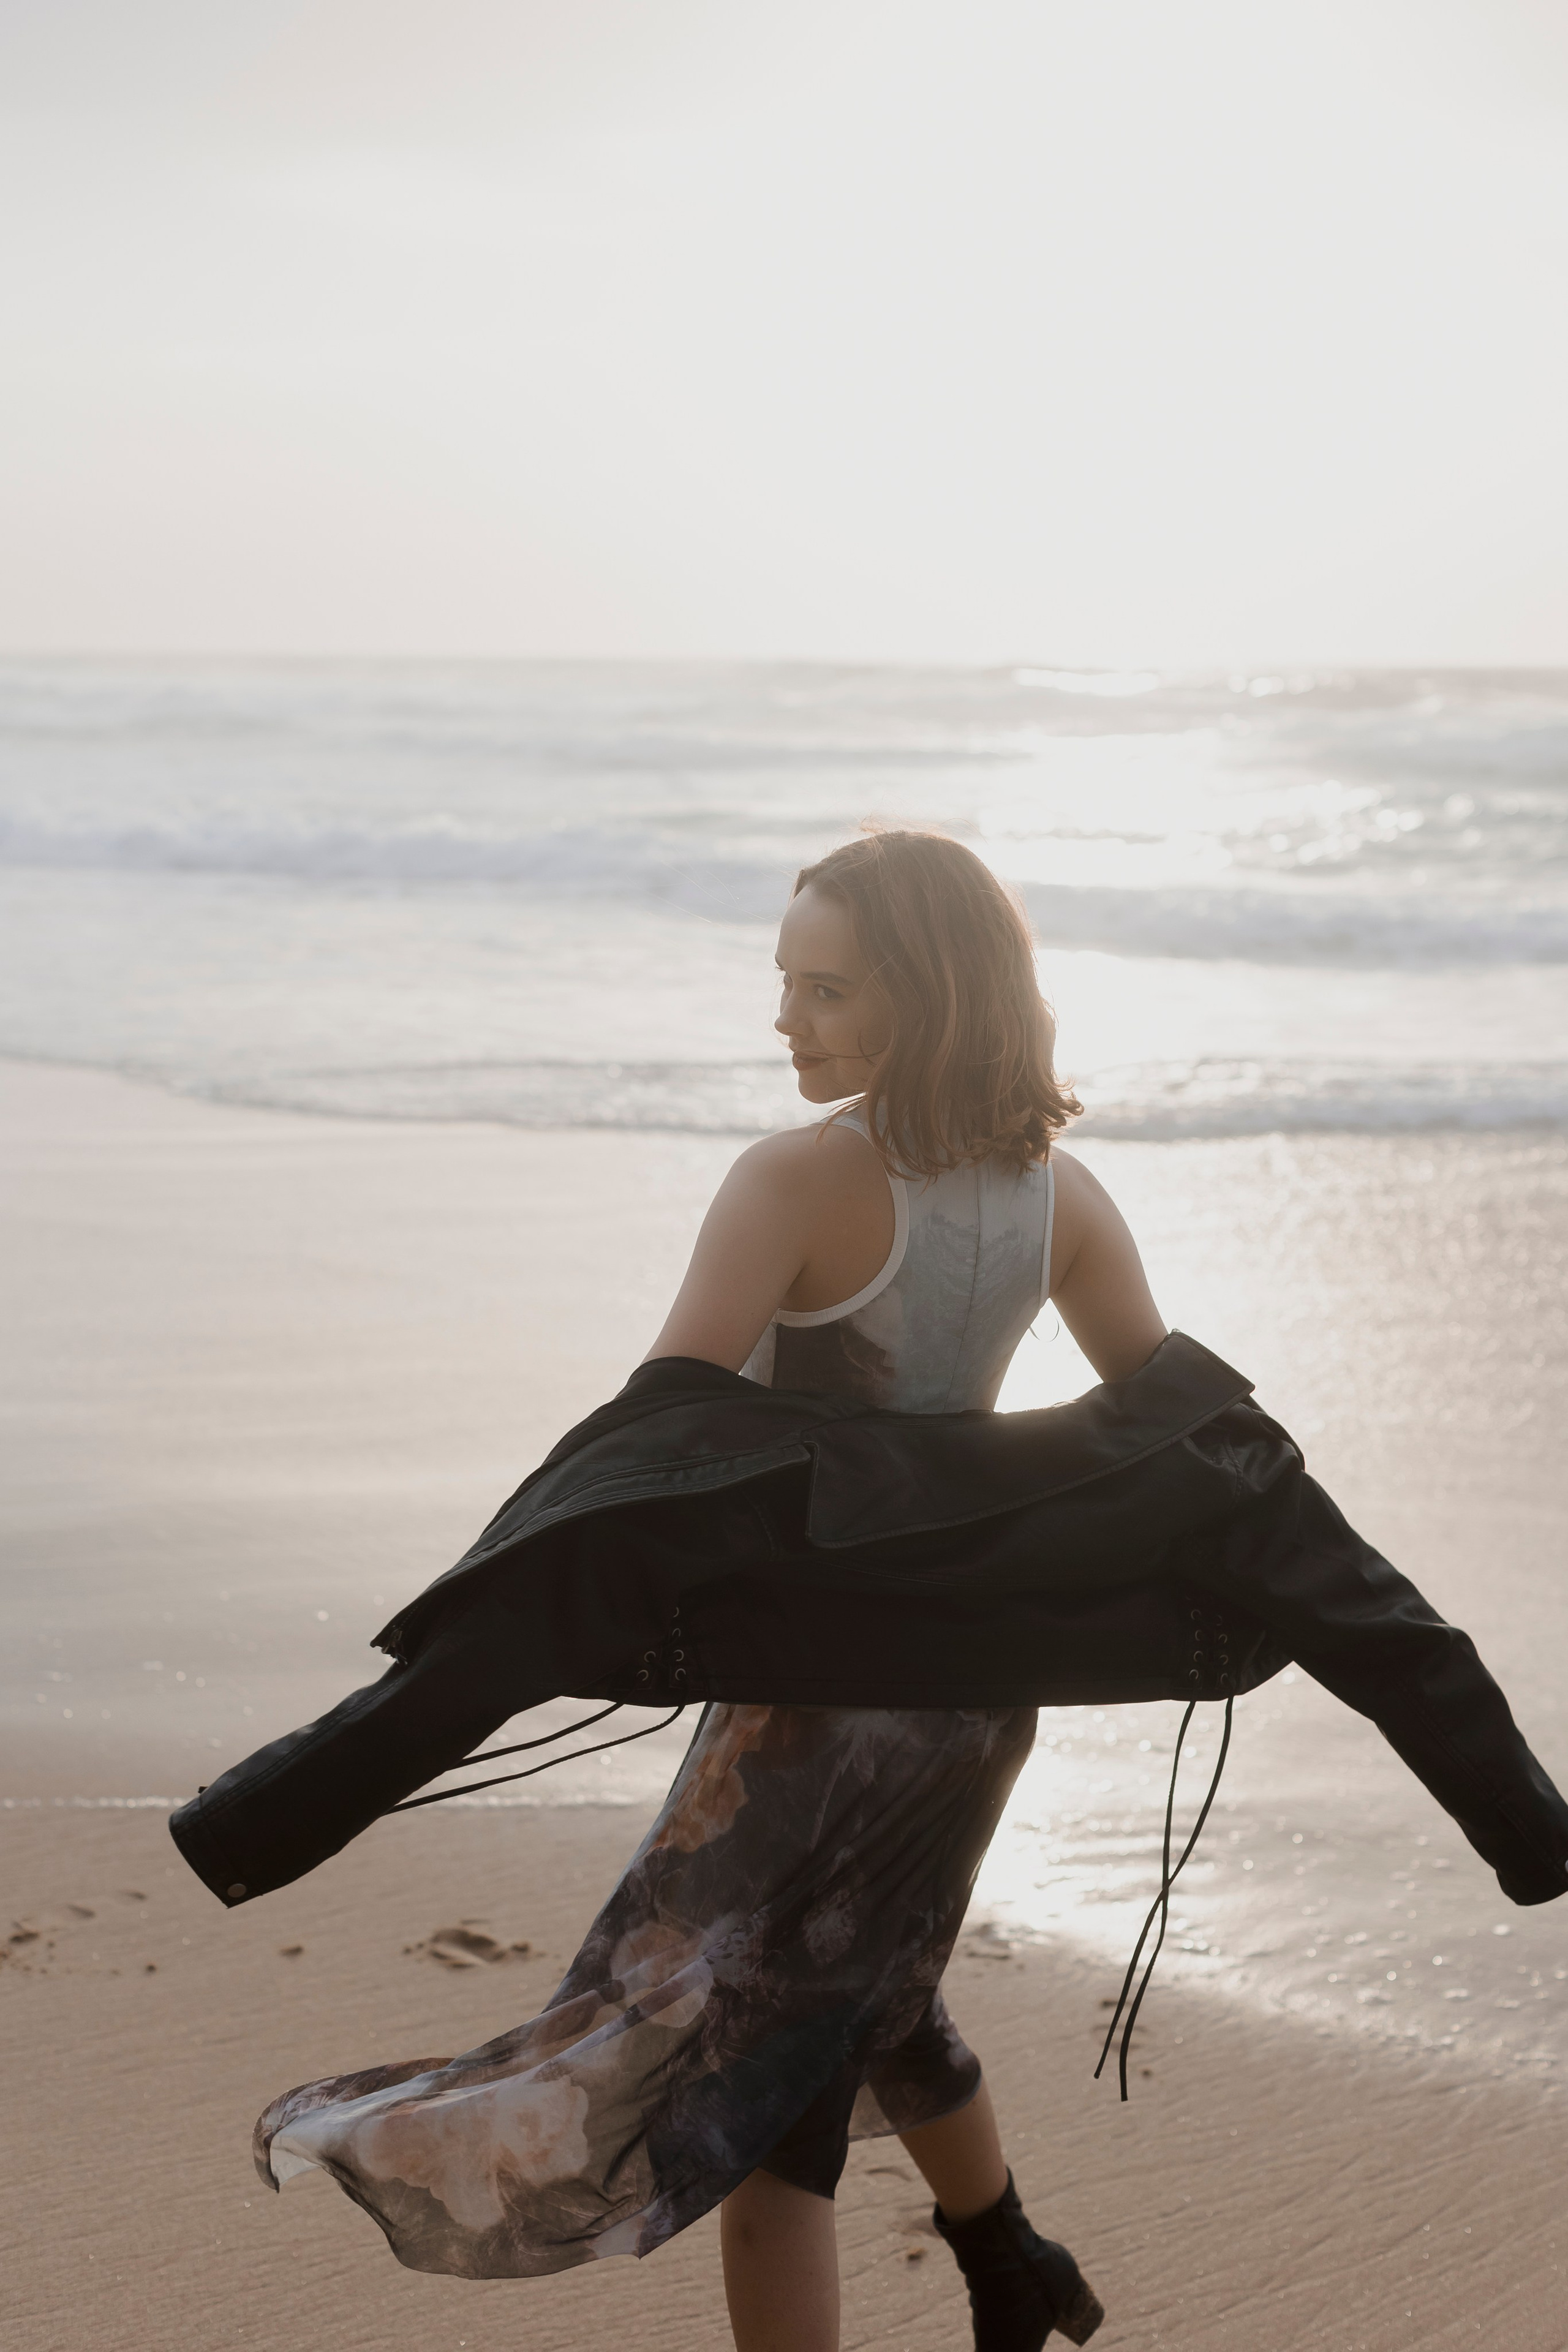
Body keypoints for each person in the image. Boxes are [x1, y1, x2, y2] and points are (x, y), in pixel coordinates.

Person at [639, 827, 1158, 2350]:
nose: (784, 1020)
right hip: (974, 1693)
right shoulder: (1062, 1197)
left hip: (811, 1695)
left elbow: (656, 1434)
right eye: (784, 982)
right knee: (869, 1986)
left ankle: (1000, 2258)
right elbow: (1177, 1437)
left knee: (762, 2104)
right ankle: (1008, 2258)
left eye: (825, 989)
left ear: (922, 998)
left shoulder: (790, 1181)